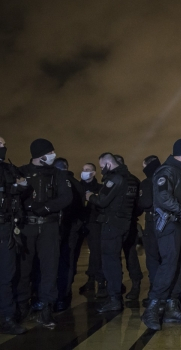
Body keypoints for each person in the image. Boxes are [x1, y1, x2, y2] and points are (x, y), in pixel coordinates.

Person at [141, 139, 181, 330]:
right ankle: (152, 309)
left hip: (179, 224)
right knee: (169, 265)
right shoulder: (166, 171)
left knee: (180, 266)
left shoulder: (180, 172)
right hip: (169, 224)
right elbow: (164, 197)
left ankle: (172, 307)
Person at [17, 139, 73, 328]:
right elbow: (13, 195)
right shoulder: (21, 172)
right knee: (23, 269)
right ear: (40, 155)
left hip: (49, 226)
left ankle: (46, 309)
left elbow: (67, 197)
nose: (53, 155)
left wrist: (47, 207)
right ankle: (22, 306)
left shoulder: (57, 174)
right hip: (27, 226)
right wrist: (29, 204)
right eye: (50, 152)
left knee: (50, 268)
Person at [87, 152, 138, 313]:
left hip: (112, 224)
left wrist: (90, 196)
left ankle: (114, 298)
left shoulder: (115, 178)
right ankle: (115, 295)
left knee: (110, 262)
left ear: (109, 164)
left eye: (102, 167)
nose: (102, 170)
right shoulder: (131, 179)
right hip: (124, 224)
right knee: (115, 260)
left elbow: (103, 201)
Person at [0, 139, 27, 334]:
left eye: (3, 144)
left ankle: (7, 317)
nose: (3, 147)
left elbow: (23, 187)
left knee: (7, 275)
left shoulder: (10, 169)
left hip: (6, 227)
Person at [54, 158, 86, 311]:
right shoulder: (77, 183)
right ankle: (63, 295)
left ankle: (59, 296)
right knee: (68, 262)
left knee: (56, 262)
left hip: (60, 227)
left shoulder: (57, 182)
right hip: (73, 228)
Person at [114, 155, 143, 301]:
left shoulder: (114, 180)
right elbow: (140, 204)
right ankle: (135, 286)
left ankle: (115, 287)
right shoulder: (134, 180)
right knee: (131, 255)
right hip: (130, 222)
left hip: (115, 223)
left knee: (114, 256)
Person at [137, 155, 161, 307]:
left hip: (152, 221)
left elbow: (144, 202)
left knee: (152, 257)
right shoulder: (167, 178)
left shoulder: (146, 182)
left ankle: (155, 290)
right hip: (168, 222)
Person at [78, 163, 105, 298]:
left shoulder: (100, 188)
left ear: (94, 173)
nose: (84, 172)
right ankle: (91, 280)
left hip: (94, 223)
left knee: (96, 252)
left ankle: (98, 281)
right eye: (83, 170)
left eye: (87, 170)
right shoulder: (77, 187)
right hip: (80, 223)